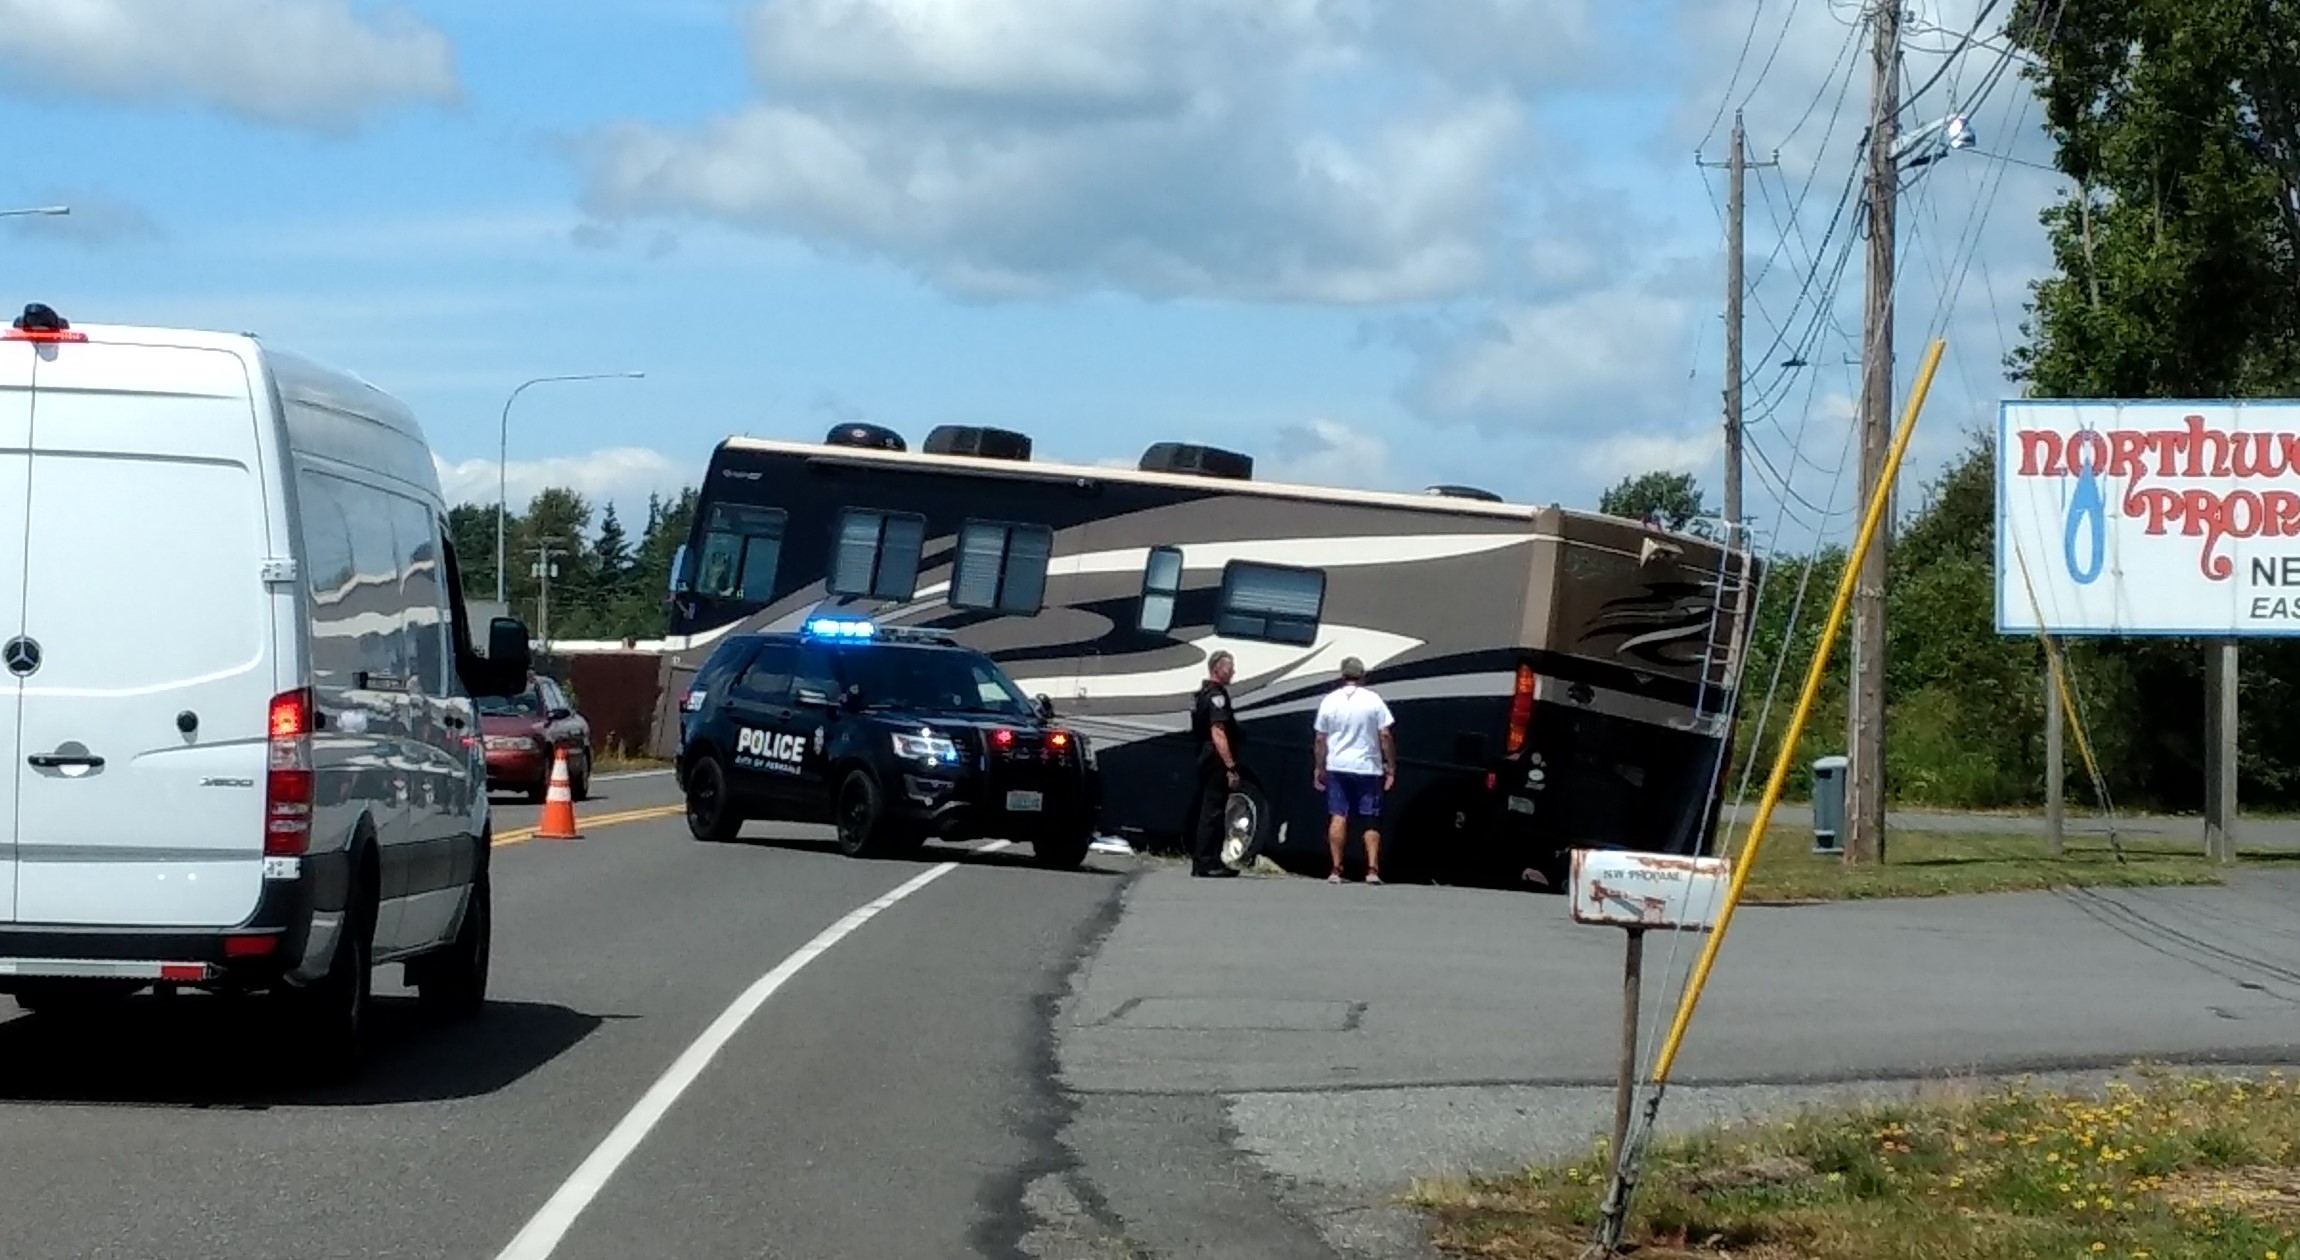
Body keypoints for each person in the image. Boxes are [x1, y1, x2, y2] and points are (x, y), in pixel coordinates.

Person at [1312, 656, 1396, 884]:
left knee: (1339, 815)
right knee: (1371, 818)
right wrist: (1390, 766)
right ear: (1363, 675)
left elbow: (1320, 739)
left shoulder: (1330, 700)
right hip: (1368, 767)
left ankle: (1336, 869)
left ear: (1342, 675)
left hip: (1338, 766)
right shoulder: (1374, 700)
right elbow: (1385, 735)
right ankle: (1371, 870)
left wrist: (1319, 767)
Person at [1188, 650, 1244, 878]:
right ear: (1217, 668)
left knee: (1209, 809)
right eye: (1229, 667)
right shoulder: (1216, 696)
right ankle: (1206, 862)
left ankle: (1205, 859)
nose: (1233, 671)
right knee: (1213, 810)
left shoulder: (1202, 693)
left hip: (1204, 754)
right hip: (1215, 758)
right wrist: (1230, 765)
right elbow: (1218, 731)